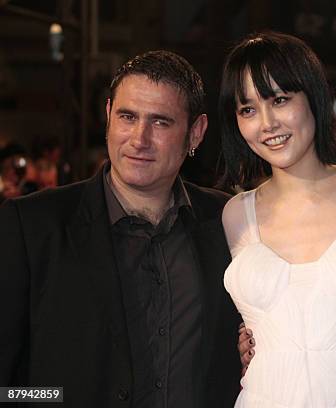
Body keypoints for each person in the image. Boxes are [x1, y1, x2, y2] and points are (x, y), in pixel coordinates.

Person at [0, 50, 241, 408]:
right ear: (109, 115)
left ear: (196, 132)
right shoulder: (31, 225)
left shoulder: (229, 221)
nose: (139, 139)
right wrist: (52, 400)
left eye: (161, 122)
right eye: (128, 117)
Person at [219, 32, 336, 407]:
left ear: (313, 97)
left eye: (280, 100)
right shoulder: (235, 214)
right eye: (247, 109)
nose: (267, 123)